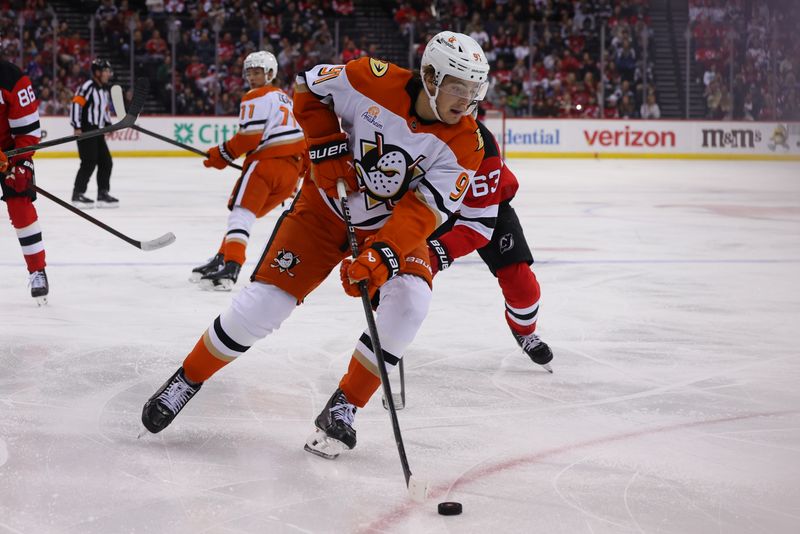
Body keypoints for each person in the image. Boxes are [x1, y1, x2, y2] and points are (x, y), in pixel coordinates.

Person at [140, 31, 490, 461]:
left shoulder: (468, 142)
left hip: (387, 227)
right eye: (459, 87)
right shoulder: (369, 79)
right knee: (264, 305)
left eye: (475, 90)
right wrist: (325, 147)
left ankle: (344, 405)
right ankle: (187, 379)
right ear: (431, 77)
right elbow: (307, 88)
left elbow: (423, 212)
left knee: (413, 300)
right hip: (324, 209)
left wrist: (381, 256)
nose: (467, 100)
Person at [424, 118, 553, 371]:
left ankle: (524, 330)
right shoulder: (411, 126)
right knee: (405, 277)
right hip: (433, 208)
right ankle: (390, 332)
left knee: (523, 286)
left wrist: (436, 254)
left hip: (488, 207)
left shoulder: (480, 141)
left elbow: (477, 226)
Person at [190, 51, 307, 291]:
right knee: (245, 217)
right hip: (290, 173)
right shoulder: (288, 100)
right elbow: (304, 141)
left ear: (270, 74)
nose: (252, 78)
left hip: (266, 166)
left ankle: (231, 267)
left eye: (257, 72)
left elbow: (249, 138)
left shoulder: (256, 96)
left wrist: (220, 155)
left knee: (240, 215)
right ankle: (221, 258)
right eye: (250, 73)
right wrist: (297, 176)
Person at [0, 59, 48, 305]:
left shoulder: (12, 78)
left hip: (11, 153)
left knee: (20, 203)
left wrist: (18, 162)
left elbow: (27, 131)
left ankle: (37, 270)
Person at [70, 59, 117, 208]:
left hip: (98, 130)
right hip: (86, 130)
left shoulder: (104, 90)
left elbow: (104, 111)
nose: (108, 74)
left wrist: (108, 125)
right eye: (105, 71)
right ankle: (77, 194)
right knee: (89, 162)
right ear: (97, 72)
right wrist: (77, 126)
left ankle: (102, 193)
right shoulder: (88, 87)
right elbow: (76, 104)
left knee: (106, 161)